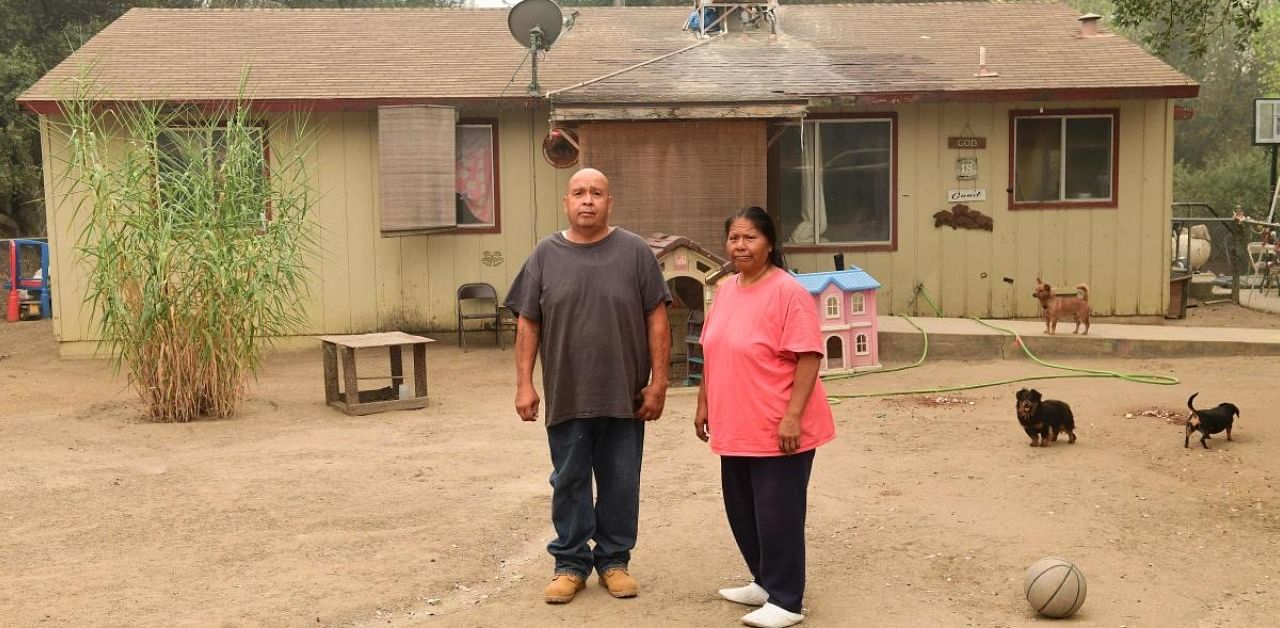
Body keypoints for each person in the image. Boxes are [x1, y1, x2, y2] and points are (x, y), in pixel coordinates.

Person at [505, 167, 671, 605]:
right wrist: (524, 384)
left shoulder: (635, 252)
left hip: (625, 394)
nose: (588, 200)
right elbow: (528, 322)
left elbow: (658, 319)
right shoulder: (545, 254)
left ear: (610, 202)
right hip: (567, 392)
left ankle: (614, 561)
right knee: (570, 480)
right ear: (566, 202)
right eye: (579, 192)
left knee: (620, 480)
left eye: (597, 193)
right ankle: (570, 565)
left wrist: (660, 382)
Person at [694, 206, 835, 628]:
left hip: (779, 427)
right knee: (743, 510)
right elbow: (712, 349)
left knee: (778, 514)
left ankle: (787, 600)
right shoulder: (727, 290)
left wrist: (793, 416)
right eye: (734, 238)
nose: (740, 246)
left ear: (770, 243)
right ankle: (763, 581)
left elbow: (809, 356)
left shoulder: (788, 291)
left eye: (750, 237)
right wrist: (703, 403)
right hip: (736, 423)